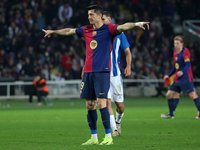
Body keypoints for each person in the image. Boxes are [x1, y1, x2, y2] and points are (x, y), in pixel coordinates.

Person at [42, 4, 149, 145]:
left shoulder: (109, 29)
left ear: (99, 16)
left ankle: (108, 136)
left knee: (101, 103)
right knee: (89, 104)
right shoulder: (86, 29)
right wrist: (53, 31)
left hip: (102, 71)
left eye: (91, 14)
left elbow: (123, 27)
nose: (89, 17)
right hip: (87, 71)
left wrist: (137, 24)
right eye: (88, 15)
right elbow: (69, 31)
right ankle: (93, 137)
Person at [101, 11, 131, 136]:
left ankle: (118, 121)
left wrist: (128, 66)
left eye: (103, 19)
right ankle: (114, 130)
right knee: (106, 102)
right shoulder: (98, 33)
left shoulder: (119, 33)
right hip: (103, 73)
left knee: (119, 105)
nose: (101, 21)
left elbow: (127, 52)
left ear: (109, 19)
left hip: (115, 75)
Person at [161, 36, 200, 119]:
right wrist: (169, 75)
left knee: (192, 95)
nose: (176, 45)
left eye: (177, 43)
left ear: (182, 43)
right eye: (175, 43)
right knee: (169, 94)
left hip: (186, 77)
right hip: (177, 78)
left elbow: (188, 64)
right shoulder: (175, 52)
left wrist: (182, 71)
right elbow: (176, 66)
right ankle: (171, 114)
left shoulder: (185, 52)